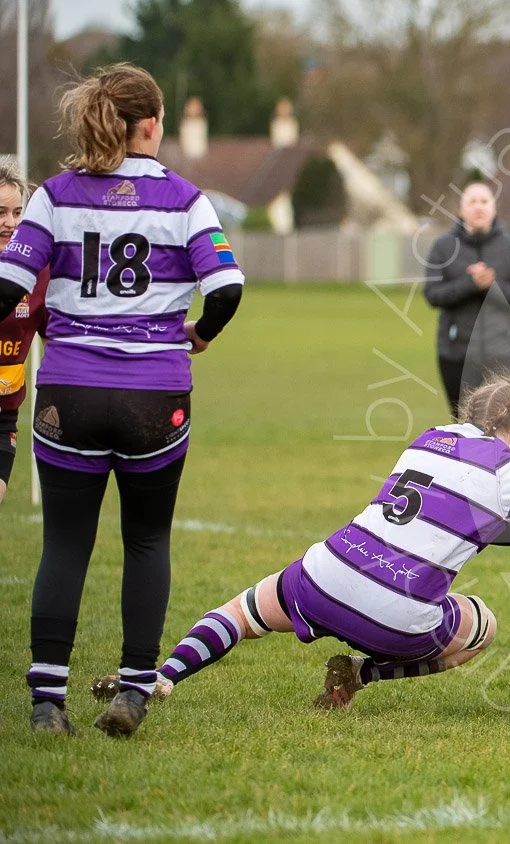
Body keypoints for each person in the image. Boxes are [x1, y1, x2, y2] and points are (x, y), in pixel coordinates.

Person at [91, 376, 510, 723]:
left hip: (321, 576)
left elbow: (450, 515)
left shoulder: (428, 440)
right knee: (480, 625)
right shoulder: (506, 467)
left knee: (244, 611)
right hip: (398, 619)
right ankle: (366, 677)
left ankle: (157, 680)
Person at [0, 64, 245, 737]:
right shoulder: (188, 199)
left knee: (65, 544)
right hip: (154, 396)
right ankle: (134, 693)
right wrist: (197, 333)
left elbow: (8, 286)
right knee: (146, 539)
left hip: (68, 392)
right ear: (152, 124)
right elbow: (225, 289)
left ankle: (48, 702)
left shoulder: (53, 195)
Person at [423, 180, 510, 413]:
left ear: (494, 208)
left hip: (506, 353)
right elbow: (433, 294)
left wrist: (492, 285)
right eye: (472, 201)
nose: (478, 207)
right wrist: (471, 284)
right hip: (457, 355)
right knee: (466, 429)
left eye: (484, 201)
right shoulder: (443, 247)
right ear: (460, 209)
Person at [0, 162, 46, 505]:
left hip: (4, 414)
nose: (10, 222)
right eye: (0, 212)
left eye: (17, 212)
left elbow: (58, 334)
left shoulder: (37, 273)